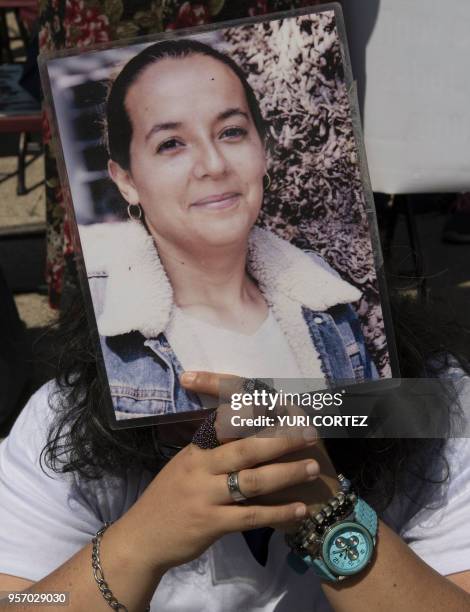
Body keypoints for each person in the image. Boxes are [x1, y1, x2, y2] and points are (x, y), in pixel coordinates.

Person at [0, 287, 469, 611]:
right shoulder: (66, 418)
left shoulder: (432, 406)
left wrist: (328, 516)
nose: (229, 410)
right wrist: (134, 546)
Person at [78, 38, 378, 420]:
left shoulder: (327, 299)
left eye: (231, 132)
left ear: (263, 149)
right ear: (126, 181)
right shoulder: (103, 327)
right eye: (171, 144)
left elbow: (370, 456)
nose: (214, 164)